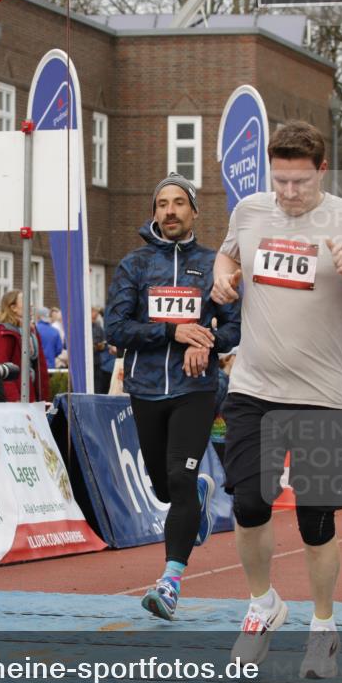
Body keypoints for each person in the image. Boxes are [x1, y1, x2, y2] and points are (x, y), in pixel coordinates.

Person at [212, 120, 342, 678]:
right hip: (255, 386)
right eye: (280, 181)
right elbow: (228, 257)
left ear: (321, 170)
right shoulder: (249, 212)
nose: (289, 194)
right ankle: (263, 605)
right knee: (249, 503)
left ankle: (322, 627)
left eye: (300, 183)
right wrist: (224, 279)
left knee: (317, 523)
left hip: (320, 394)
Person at [106, 172, 241, 621]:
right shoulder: (135, 266)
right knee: (165, 486)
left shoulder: (212, 264)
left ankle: (170, 581)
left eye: (178, 202)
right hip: (146, 389)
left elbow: (237, 327)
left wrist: (207, 343)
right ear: (154, 213)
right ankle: (197, 492)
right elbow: (116, 328)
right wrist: (172, 331)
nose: (169, 211)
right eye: (162, 203)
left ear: (193, 211)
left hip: (195, 391)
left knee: (179, 481)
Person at [0, 290, 50, 402]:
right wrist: (14, 399)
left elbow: (40, 366)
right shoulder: (4, 334)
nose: (31, 304)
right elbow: (1, 370)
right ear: (13, 308)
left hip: (32, 395)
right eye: (25, 301)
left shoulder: (31, 331)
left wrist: (43, 396)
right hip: (18, 398)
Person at [92, 306, 109, 394]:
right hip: (85, 364)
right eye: (94, 315)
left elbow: (104, 343)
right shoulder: (82, 327)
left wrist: (101, 346)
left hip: (97, 362)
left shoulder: (98, 327)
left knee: (97, 387)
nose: (95, 317)